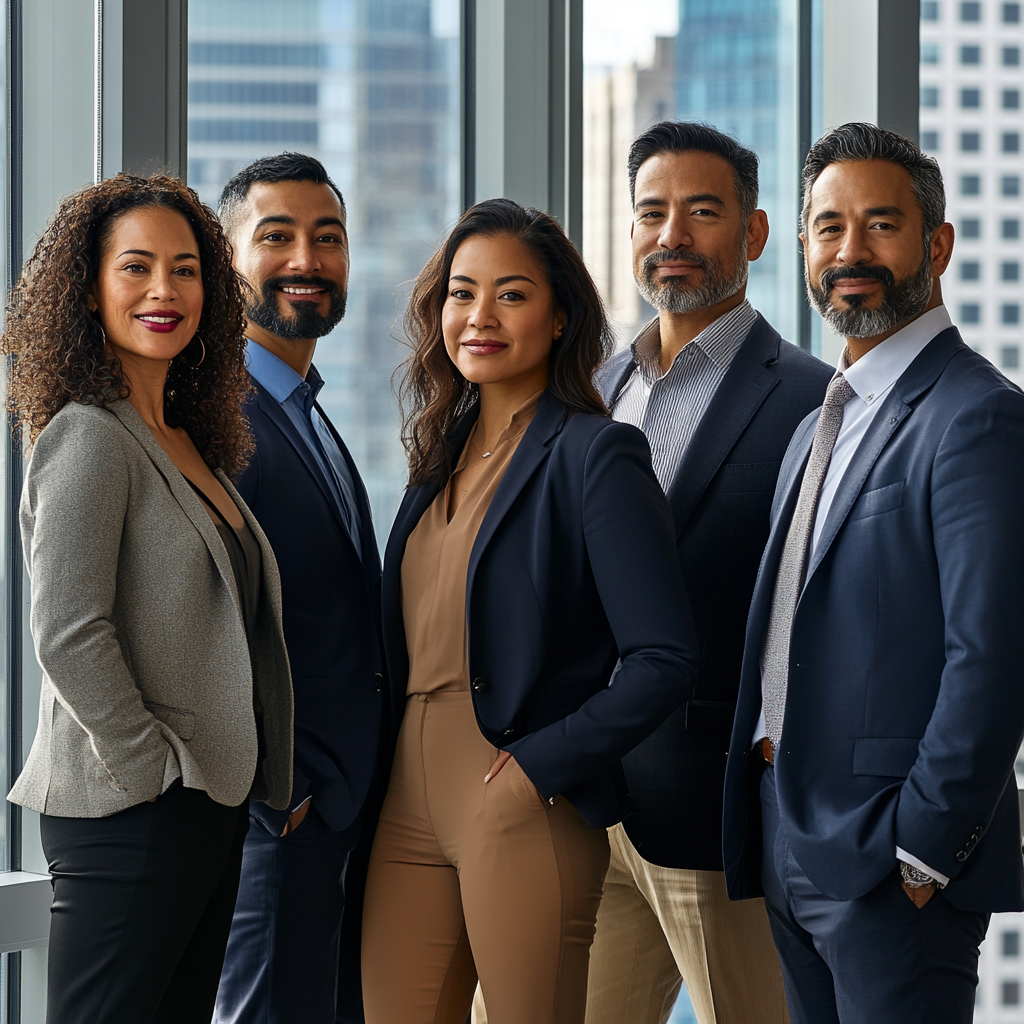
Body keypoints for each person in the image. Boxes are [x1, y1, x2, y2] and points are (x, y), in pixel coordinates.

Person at [360, 198, 699, 1024]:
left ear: (558, 319)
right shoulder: (433, 459)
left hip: (518, 803)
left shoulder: (595, 453)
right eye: (461, 293)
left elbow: (666, 658)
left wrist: (537, 770)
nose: (479, 317)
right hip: (403, 801)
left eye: (510, 295)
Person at [723, 122, 1024, 1024]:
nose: (849, 251)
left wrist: (923, 852)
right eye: (828, 228)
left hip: (893, 863)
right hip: (790, 834)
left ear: (936, 245)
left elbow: (994, 657)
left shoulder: (978, 418)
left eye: (880, 226)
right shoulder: (826, 416)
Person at [2, 173, 293, 1024]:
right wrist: (151, 772)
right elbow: (67, 629)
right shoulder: (86, 434)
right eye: (136, 268)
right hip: (136, 809)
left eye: (186, 268)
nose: (164, 290)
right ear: (89, 292)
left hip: (204, 804)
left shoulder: (183, 439)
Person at [585, 121, 831, 1024]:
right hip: (584, 813)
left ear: (756, 234)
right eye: (653, 212)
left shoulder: (810, 397)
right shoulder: (596, 386)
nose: (672, 235)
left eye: (702, 212)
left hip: (719, 817)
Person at [212, 153, 384, 1024]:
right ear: (226, 258)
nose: (306, 261)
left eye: (328, 238)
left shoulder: (304, 411)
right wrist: (271, 792)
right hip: (279, 819)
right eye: (275, 237)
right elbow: (201, 626)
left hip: (337, 819)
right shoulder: (219, 421)